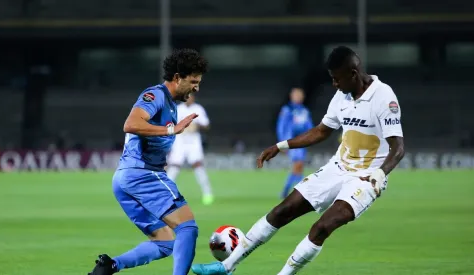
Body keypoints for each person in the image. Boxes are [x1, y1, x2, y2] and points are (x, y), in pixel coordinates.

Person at [191, 45, 405, 275]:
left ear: (353, 74)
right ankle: (226, 266)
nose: (334, 84)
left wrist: (380, 173)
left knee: (322, 226)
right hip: (338, 167)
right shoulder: (342, 95)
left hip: (366, 178)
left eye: (337, 79)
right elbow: (322, 131)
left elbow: (398, 148)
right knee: (283, 210)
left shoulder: (383, 97)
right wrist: (281, 146)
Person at [88, 48, 208, 275]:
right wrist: (172, 129)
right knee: (187, 228)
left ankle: (110, 266)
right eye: (193, 81)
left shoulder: (171, 104)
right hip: (142, 175)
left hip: (125, 179)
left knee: (165, 243)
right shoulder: (156, 95)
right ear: (177, 77)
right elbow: (131, 124)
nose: (196, 88)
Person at [167, 94, 214, 205]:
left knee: (198, 166)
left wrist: (197, 125)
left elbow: (207, 125)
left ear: (193, 98)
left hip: (193, 142)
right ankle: (166, 194)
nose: (189, 98)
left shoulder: (198, 109)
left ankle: (207, 193)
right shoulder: (178, 109)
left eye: (190, 96)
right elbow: (169, 124)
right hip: (180, 142)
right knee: (174, 166)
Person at [276, 87, 314, 198]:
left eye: (300, 95)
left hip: (303, 142)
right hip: (292, 142)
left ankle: (286, 191)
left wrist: (312, 137)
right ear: (292, 96)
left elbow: (309, 126)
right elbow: (281, 127)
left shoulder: (304, 111)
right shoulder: (287, 109)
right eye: (296, 95)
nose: (299, 97)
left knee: (298, 167)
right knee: (298, 165)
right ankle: (305, 190)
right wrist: (282, 143)